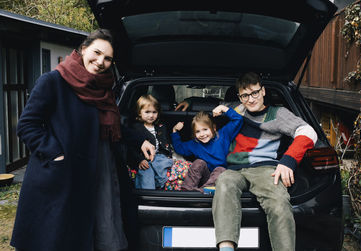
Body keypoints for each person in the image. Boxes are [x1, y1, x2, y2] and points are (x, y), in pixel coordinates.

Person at [11, 29, 155, 251]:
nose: (100, 62)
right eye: (96, 53)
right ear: (83, 49)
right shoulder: (53, 81)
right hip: (64, 172)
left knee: (101, 231)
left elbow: (112, 124)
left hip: (102, 168)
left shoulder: (103, 87)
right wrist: (56, 154)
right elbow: (27, 125)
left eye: (107, 59)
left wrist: (139, 140)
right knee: (61, 236)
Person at [211, 72, 318, 251]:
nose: (251, 99)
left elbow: (308, 132)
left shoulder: (278, 114)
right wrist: (190, 103)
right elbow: (215, 106)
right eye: (245, 95)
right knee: (224, 182)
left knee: (279, 201)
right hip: (235, 169)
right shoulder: (237, 109)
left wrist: (288, 161)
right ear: (239, 97)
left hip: (265, 169)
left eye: (255, 93)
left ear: (263, 91)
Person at [171, 105, 243, 192]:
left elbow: (238, 119)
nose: (202, 134)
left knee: (220, 169)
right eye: (198, 131)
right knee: (198, 162)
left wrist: (223, 108)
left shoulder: (223, 135)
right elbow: (179, 148)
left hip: (221, 178)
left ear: (214, 128)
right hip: (204, 177)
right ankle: (186, 190)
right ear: (194, 134)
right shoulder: (195, 144)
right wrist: (175, 131)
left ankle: (204, 192)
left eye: (205, 129)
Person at [129, 94, 173, 189]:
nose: (151, 115)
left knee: (163, 162)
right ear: (140, 112)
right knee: (146, 170)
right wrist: (139, 160)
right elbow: (132, 148)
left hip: (160, 157)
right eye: (147, 112)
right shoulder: (135, 128)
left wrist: (169, 154)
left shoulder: (161, 127)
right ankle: (149, 191)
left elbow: (166, 144)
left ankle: (159, 182)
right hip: (144, 158)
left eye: (154, 112)